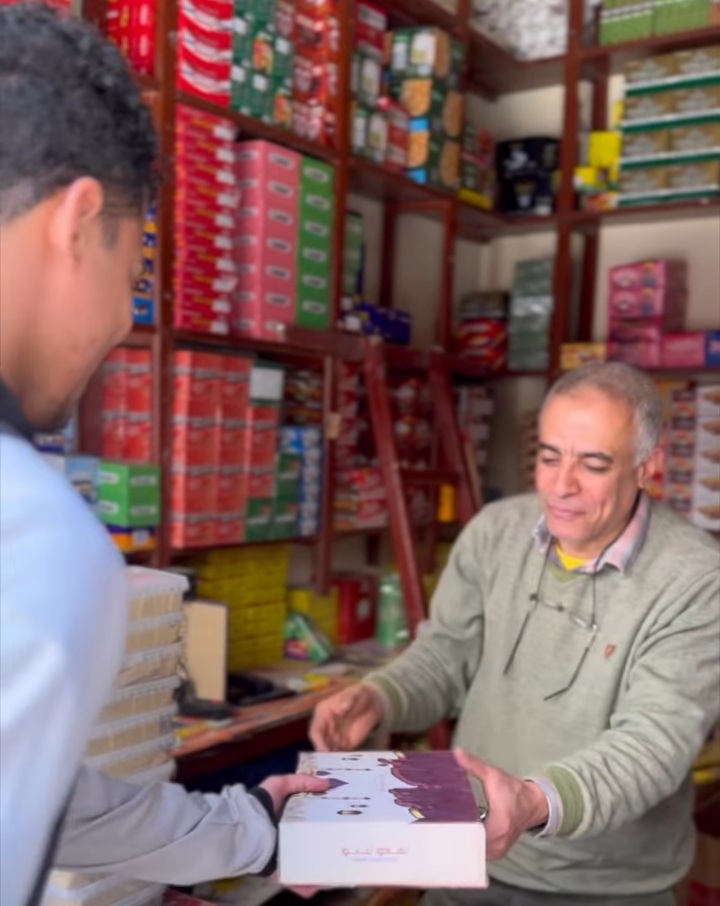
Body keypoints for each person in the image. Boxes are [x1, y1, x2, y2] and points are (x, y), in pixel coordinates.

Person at [0, 7, 325, 906]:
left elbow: (31, 788)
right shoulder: (33, 532)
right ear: (78, 223)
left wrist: (253, 828)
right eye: (135, 274)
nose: (123, 320)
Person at [310, 362, 720, 905]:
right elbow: (446, 654)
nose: (561, 485)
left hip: (605, 887)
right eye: (549, 457)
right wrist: (380, 697)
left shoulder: (696, 579)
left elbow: (652, 744)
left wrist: (533, 803)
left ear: (647, 467)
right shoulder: (495, 532)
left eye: (593, 464)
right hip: (469, 855)